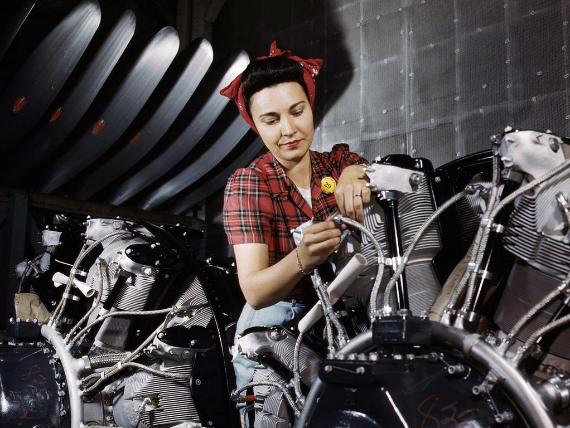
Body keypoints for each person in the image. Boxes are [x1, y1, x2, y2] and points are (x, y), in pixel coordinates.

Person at [220, 41, 370, 424]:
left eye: (297, 111)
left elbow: (355, 166)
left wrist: (357, 174)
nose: (289, 130)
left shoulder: (335, 164)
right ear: (256, 124)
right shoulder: (250, 184)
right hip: (273, 332)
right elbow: (255, 290)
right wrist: (302, 258)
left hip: (337, 325)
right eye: (271, 120)